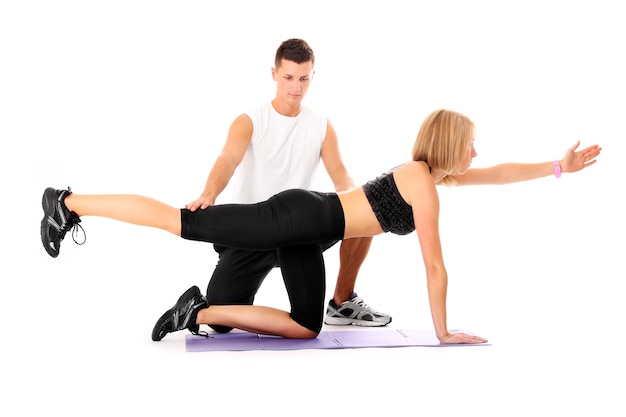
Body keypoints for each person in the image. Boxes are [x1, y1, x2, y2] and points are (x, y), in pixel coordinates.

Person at [40, 109, 602, 344]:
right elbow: (434, 263)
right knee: (181, 222)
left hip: (312, 233)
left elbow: (499, 174)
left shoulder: (427, 177)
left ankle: (199, 311)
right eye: (471, 143)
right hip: (300, 215)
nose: (477, 152)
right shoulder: (422, 184)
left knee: (307, 326)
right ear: (452, 145)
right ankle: (69, 203)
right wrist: (443, 332)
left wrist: (558, 167)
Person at [183, 38, 388, 330]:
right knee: (221, 321)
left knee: (366, 214)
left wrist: (355, 197)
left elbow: (341, 175)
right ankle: (205, 308)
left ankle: (342, 302)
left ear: (312, 76)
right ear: (274, 74)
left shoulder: (321, 125)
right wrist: (209, 192)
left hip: (297, 233)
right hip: (252, 234)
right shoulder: (250, 121)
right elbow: (228, 159)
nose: (297, 86)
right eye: (289, 77)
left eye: (304, 78)